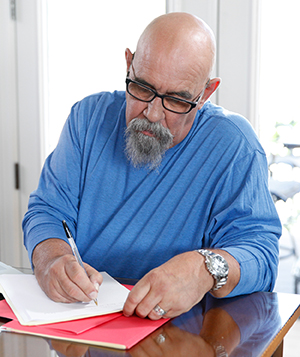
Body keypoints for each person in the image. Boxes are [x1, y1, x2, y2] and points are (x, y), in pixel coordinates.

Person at [23, 12, 281, 321]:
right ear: (129, 63)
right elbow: (47, 210)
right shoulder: (88, 119)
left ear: (206, 94)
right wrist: (52, 257)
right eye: (143, 87)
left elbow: (261, 255)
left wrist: (204, 269)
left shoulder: (234, 146)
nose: (153, 113)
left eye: (176, 99)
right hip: (81, 319)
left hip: (181, 336)